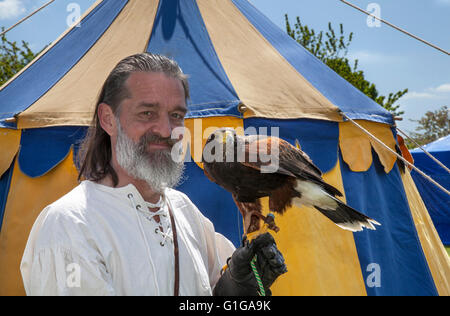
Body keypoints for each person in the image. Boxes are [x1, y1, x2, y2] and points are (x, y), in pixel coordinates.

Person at [20, 53, 287, 296]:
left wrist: (235, 291)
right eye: (147, 113)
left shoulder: (184, 211)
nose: (165, 129)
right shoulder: (70, 225)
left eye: (176, 115)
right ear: (108, 119)